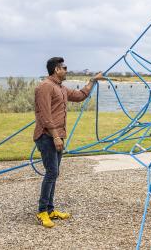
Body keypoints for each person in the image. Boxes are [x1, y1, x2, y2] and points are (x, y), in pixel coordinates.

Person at [34, 57, 104, 228]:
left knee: (54, 173)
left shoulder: (61, 88)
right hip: (47, 136)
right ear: (56, 70)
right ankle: (42, 212)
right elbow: (45, 115)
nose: (66, 70)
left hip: (57, 136)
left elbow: (80, 95)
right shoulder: (45, 87)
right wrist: (56, 136)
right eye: (64, 67)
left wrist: (92, 81)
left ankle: (50, 210)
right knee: (51, 172)